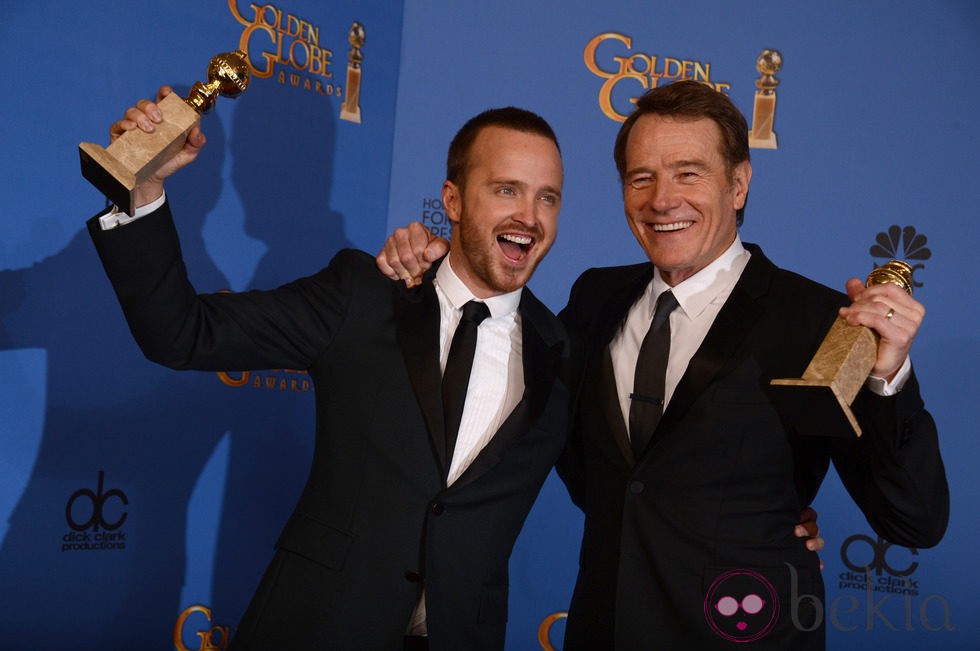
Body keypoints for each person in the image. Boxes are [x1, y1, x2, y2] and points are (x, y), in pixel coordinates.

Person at [377, 80, 949, 649]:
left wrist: (887, 375)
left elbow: (913, 521)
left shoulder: (821, 321)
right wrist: (432, 267)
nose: (662, 199)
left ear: (740, 184)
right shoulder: (596, 299)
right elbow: (577, 454)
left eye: (688, 173)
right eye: (641, 178)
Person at [88, 89, 571, 650]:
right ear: (454, 200)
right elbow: (182, 333)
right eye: (506, 189)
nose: (529, 217)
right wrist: (142, 186)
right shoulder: (364, 295)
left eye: (548, 198)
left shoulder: (563, 353)